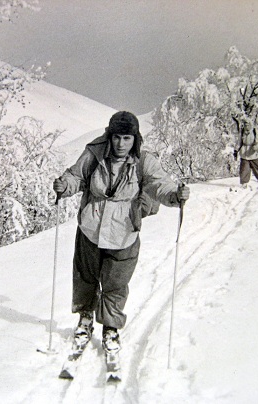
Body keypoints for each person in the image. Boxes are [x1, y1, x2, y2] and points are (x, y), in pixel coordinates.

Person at [52, 111, 190, 354]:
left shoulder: (144, 162)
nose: (121, 144)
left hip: (124, 232)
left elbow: (160, 184)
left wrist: (174, 196)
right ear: (109, 136)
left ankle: (110, 327)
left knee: (116, 283)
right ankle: (85, 318)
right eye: (117, 137)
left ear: (135, 139)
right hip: (90, 229)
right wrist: (65, 186)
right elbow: (77, 176)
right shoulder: (94, 154)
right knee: (86, 277)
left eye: (127, 138)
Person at [233, 119, 258, 189]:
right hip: (244, 153)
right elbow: (239, 142)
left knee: (256, 169)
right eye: (245, 125)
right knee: (244, 169)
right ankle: (244, 183)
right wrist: (236, 150)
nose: (246, 127)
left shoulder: (255, 131)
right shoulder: (242, 132)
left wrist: (257, 147)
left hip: (254, 153)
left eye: (248, 125)